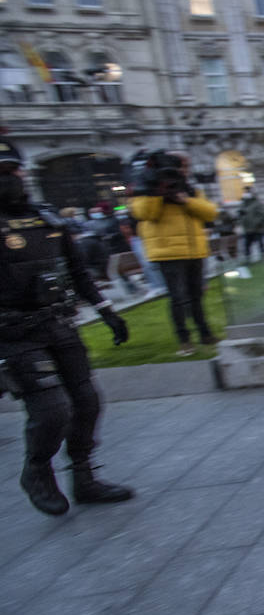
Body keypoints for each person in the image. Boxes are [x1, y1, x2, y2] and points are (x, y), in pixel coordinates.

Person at [0, 138, 133, 516]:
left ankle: (84, 476)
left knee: (87, 403)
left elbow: (77, 270)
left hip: (58, 324)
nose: (9, 180)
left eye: (12, 171)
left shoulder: (46, 219)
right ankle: (37, 471)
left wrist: (107, 310)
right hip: (14, 334)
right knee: (52, 410)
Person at [128, 150, 219, 355]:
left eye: (186, 166)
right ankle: (184, 340)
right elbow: (144, 214)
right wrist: (157, 192)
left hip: (194, 249)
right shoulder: (146, 188)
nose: (184, 170)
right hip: (168, 251)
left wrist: (186, 200)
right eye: (182, 166)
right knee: (178, 297)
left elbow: (210, 212)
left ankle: (205, 334)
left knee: (196, 295)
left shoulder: (188, 189)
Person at [238, 188, 264, 262]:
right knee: (247, 245)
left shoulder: (257, 203)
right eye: (245, 192)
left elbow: (262, 214)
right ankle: (248, 259)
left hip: (257, 228)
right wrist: (241, 218)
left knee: (260, 244)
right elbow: (242, 215)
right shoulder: (243, 204)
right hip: (247, 228)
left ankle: (263, 258)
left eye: (247, 192)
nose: (246, 193)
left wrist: (256, 222)